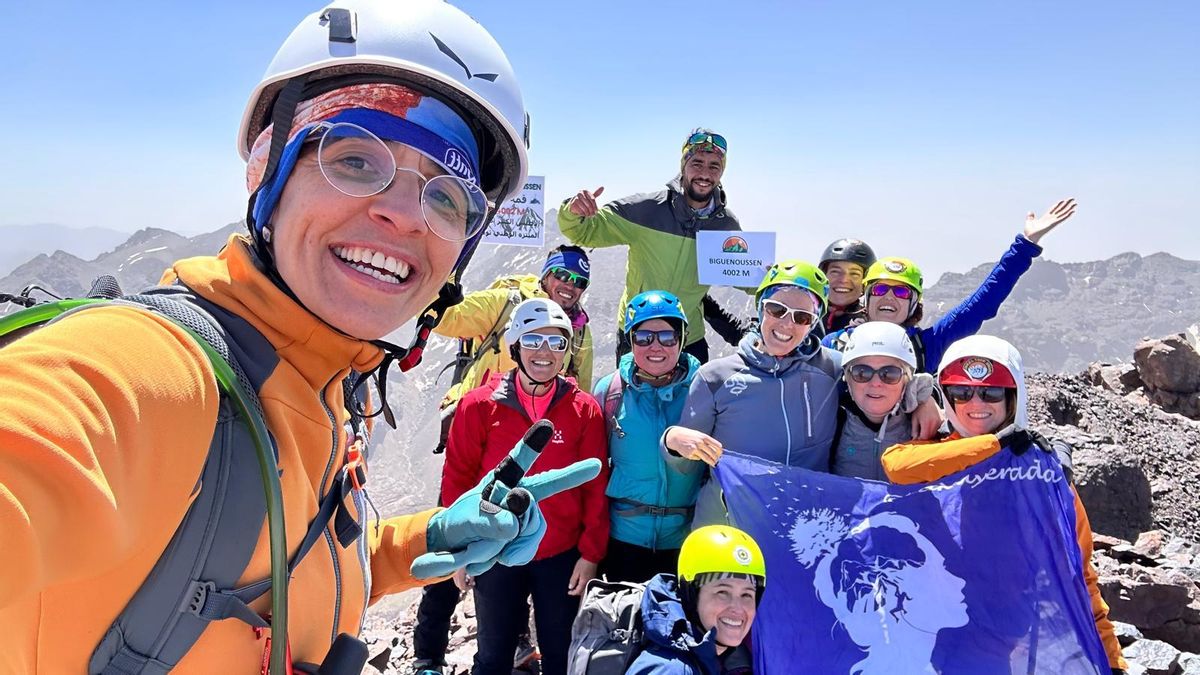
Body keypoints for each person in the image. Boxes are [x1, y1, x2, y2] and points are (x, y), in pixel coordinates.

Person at [0, 1, 602, 672]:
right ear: (269, 173)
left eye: (446, 194)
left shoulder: (328, 384)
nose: (403, 212)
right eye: (354, 157)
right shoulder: (144, 372)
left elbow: (296, 558)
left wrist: (423, 539)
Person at [881, 335, 1127, 673]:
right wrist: (997, 445)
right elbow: (897, 466)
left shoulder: (1042, 477)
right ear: (947, 398)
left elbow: (1078, 573)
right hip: (925, 625)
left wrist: (1112, 660)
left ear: (1013, 397)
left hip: (996, 637)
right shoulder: (938, 452)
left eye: (991, 392)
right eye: (961, 392)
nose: (975, 402)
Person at [440, 298, 610, 675]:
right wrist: (460, 549)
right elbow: (458, 479)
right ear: (515, 346)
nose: (545, 352)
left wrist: (591, 554)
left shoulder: (584, 410)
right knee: (493, 656)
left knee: (561, 654)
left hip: (560, 555)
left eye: (557, 343)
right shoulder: (478, 406)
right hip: (497, 552)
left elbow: (595, 486)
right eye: (533, 340)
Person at [663, 260, 842, 527]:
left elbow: (884, 387)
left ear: (812, 324)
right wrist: (671, 441)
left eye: (801, 317)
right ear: (761, 308)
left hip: (803, 530)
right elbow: (685, 466)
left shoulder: (835, 368)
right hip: (729, 528)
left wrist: (924, 398)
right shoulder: (716, 377)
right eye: (777, 309)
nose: (786, 324)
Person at [823, 198, 1078, 373]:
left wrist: (1026, 244)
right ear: (866, 299)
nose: (889, 297)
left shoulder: (929, 345)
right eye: (879, 289)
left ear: (914, 305)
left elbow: (981, 305)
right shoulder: (834, 344)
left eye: (901, 291)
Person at [558, 129, 747, 364]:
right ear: (683, 165)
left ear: (722, 172)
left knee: (692, 402)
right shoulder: (646, 209)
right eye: (697, 163)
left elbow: (744, 274)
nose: (705, 173)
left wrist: (780, 283)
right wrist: (573, 212)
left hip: (689, 338)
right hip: (637, 332)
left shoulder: (725, 225)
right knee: (633, 400)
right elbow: (583, 231)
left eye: (714, 166)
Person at [593, 290, 706, 583]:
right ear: (630, 340)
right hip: (623, 542)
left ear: (682, 339)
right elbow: (593, 472)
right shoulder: (610, 391)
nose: (656, 347)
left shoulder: (705, 391)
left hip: (685, 542)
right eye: (644, 337)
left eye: (667, 337)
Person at [626, 525, 765, 675]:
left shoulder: (710, 660)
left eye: (747, 595)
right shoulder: (671, 669)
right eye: (722, 592)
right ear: (690, 596)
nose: (737, 608)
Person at [830, 321, 937, 481]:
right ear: (847, 378)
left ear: (907, 380)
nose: (875, 383)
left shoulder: (928, 427)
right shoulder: (832, 420)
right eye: (862, 372)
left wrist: (930, 397)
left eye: (890, 374)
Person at [818, 238, 876, 333]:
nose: (844, 280)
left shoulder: (870, 325)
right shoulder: (802, 315)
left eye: (854, 274)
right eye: (835, 272)